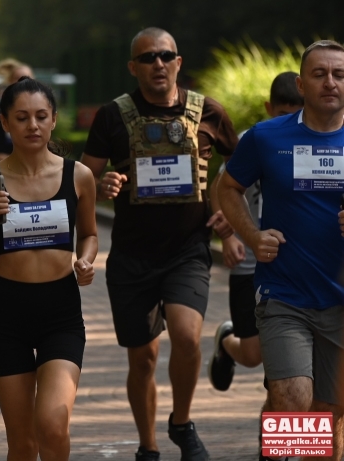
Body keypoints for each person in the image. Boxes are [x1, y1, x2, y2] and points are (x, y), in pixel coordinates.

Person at [81, 27, 238, 461]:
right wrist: (103, 180)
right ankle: (147, 446)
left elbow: (242, 167)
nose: (158, 64)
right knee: (143, 360)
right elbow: (82, 175)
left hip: (188, 250)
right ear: (133, 67)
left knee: (187, 338)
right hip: (132, 255)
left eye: (166, 55)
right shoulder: (113, 116)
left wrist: (226, 205)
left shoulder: (208, 111)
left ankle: (182, 424)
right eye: (148, 57)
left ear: (178, 62)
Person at [219, 40, 344, 461]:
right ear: (301, 83)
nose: (330, 82)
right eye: (319, 74)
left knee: (328, 416)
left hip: (341, 300)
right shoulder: (267, 137)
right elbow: (228, 188)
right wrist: (253, 237)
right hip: (284, 294)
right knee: (294, 400)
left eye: (339, 75)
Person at [0, 77, 97, 460]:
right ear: (5, 123)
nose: (32, 126)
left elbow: (89, 234)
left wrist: (86, 260)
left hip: (61, 312)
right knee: (22, 444)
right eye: (21, 118)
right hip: (6, 314)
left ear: (54, 119)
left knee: (53, 425)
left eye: (41, 116)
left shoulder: (78, 176)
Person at [207, 72, 304, 394]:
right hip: (251, 265)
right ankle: (226, 340)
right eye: (282, 113)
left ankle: (279, 441)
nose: (290, 120)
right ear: (268, 107)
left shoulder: (317, 140)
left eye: (297, 112)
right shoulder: (258, 139)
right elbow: (222, 187)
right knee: (253, 355)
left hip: (300, 267)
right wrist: (231, 236)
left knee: (287, 365)